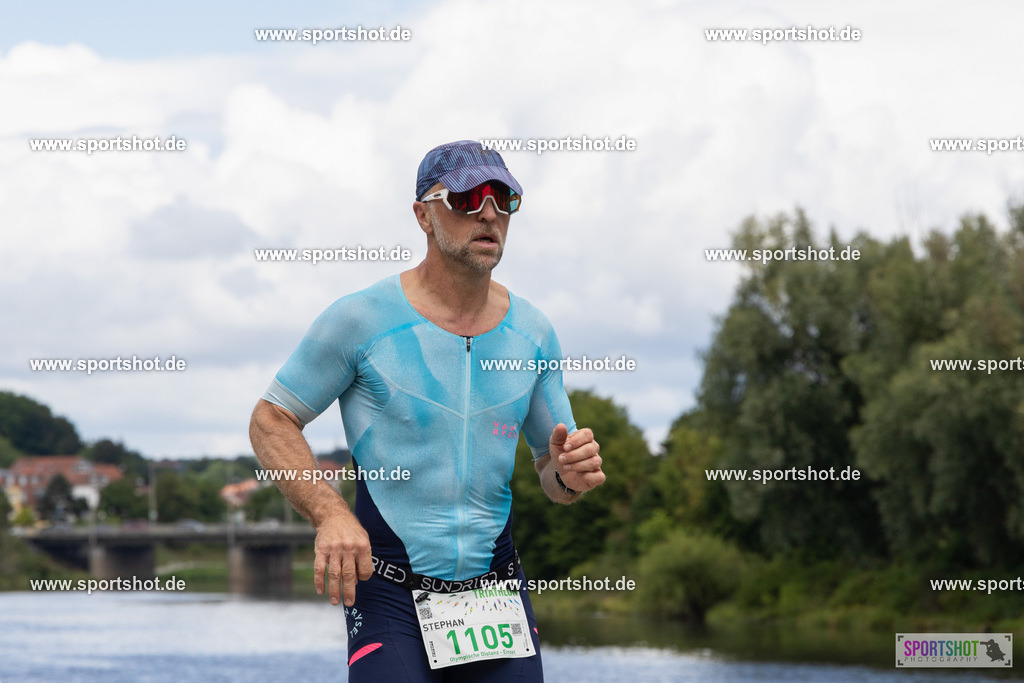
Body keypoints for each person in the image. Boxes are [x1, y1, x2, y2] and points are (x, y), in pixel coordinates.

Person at [249, 140, 606, 681]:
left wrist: (570, 475)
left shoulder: (532, 333)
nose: (489, 212)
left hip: (495, 595)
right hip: (390, 597)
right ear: (423, 214)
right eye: (467, 197)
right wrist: (330, 512)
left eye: (504, 198)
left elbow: (552, 480)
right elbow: (270, 419)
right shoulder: (361, 320)